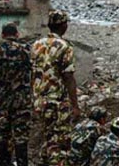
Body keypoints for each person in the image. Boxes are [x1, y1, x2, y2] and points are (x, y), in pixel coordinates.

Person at [32, 10, 81, 165]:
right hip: (57, 103)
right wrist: (75, 105)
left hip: (39, 102)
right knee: (60, 142)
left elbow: (32, 74)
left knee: (47, 137)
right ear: (64, 25)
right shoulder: (65, 47)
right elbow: (68, 77)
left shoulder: (36, 45)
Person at [0, 23, 32, 166]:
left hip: (3, 99)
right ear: (17, 34)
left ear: (2, 35)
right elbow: (32, 67)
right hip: (22, 100)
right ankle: (21, 163)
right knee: (21, 136)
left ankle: (3, 162)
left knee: (2, 134)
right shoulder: (26, 50)